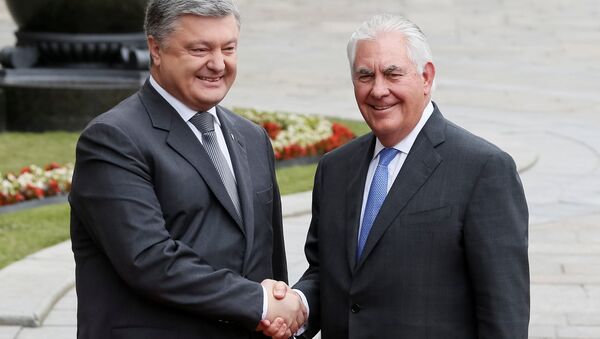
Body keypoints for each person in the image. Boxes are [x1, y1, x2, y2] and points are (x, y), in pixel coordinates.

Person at [264, 13, 530, 339]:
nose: (378, 90)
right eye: (365, 75)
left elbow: (504, 312)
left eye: (393, 74)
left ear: (426, 77)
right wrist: (298, 304)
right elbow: (327, 273)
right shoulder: (335, 168)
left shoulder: (483, 169)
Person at [69, 0, 305, 338]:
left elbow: (269, 259)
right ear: (156, 48)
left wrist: (281, 310)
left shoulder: (252, 138)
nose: (218, 64)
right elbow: (150, 260)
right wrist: (260, 302)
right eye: (199, 49)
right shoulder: (113, 140)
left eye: (229, 48)